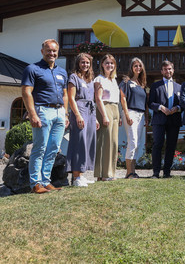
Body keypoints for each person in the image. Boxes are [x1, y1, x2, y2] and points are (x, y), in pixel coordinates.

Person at [21, 39, 69, 194]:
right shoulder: (32, 69)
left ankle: (46, 182)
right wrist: (32, 113)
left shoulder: (62, 72)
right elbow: (26, 92)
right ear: (42, 51)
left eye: (54, 51)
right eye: (49, 50)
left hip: (59, 112)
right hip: (42, 111)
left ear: (58, 52)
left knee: (53, 149)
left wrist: (65, 113)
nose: (52, 53)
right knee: (39, 148)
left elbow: (65, 94)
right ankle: (35, 184)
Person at [66, 53, 98, 187]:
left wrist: (95, 118)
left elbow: (93, 99)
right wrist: (78, 115)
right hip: (80, 110)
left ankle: (82, 175)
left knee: (87, 143)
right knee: (78, 142)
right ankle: (75, 177)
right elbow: (71, 97)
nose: (85, 65)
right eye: (83, 62)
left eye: (87, 63)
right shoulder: (74, 77)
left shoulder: (90, 80)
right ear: (78, 63)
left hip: (90, 111)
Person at [148, 60, 182, 179]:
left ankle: (167, 172)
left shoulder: (179, 87)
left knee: (171, 146)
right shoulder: (155, 86)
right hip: (159, 120)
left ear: (173, 70)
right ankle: (156, 172)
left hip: (174, 120)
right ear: (161, 71)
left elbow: (183, 104)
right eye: (165, 69)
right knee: (157, 145)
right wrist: (161, 107)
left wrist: (177, 108)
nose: (168, 71)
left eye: (170, 69)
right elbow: (150, 103)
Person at [119, 57, 147, 179]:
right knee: (133, 141)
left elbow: (144, 103)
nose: (138, 68)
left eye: (140, 66)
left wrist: (146, 117)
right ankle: (130, 172)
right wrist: (126, 114)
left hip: (140, 115)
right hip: (130, 112)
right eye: (135, 65)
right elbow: (123, 99)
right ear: (131, 67)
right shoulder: (126, 82)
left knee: (138, 143)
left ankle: (132, 172)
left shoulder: (142, 84)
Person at [94, 54, 120, 181]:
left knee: (114, 142)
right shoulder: (99, 79)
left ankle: (111, 172)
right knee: (105, 142)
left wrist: (118, 115)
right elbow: (98, 99)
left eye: (112, 63)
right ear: (102, 65)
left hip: (115, 109)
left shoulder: (114, 80)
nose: (109, 65)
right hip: (105, 108)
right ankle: (103, 174)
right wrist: (104, 115)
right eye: (107, 63)